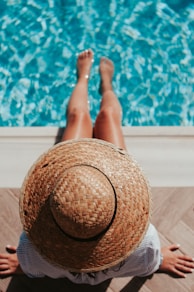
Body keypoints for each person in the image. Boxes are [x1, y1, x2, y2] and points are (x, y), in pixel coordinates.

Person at [0, 49, 193, 285]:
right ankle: (106, 85)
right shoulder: (144, 242)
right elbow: (148, 262)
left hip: (75, 178)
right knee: (108, 116)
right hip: (106, 182)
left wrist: (23, 265)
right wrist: (158, 260)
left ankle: (83, 77)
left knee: (79, 117)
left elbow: (31, 265)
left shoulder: (32, 250)